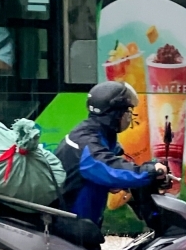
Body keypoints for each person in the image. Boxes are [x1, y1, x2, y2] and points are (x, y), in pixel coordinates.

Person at [55, 81, 167, 227]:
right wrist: (150, 171)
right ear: (114, 113)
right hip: (71, 226)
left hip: (83, 222)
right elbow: (109, 168)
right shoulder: (86, 143)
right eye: (127, 110)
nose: (130, 116)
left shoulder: (96, 133)